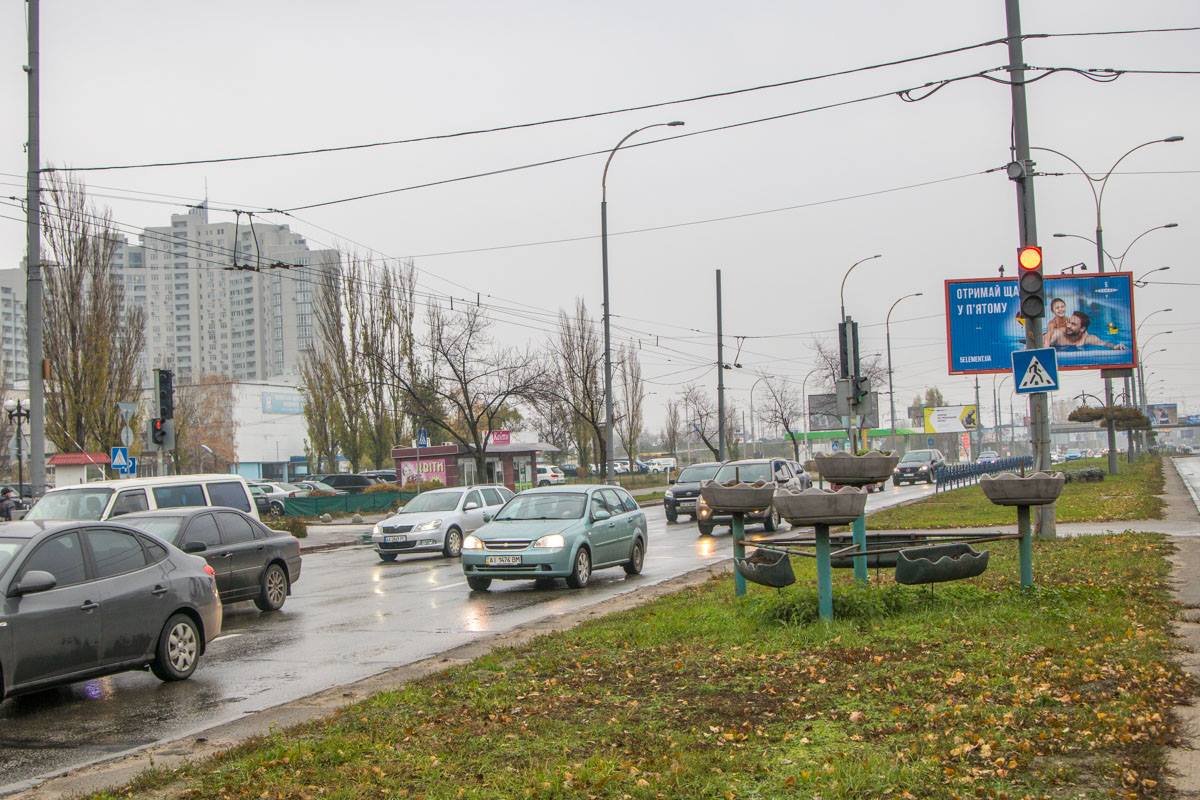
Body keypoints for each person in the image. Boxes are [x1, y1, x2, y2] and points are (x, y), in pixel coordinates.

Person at [1046, 310, 1128, 350]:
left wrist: (1115, 347)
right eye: (1069, 322)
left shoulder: (1088, 338)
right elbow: (1043, 343)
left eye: (1073, 324)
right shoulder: (1059, 334)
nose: (1068, 326)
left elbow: (1104, 344)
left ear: (1082, 329)